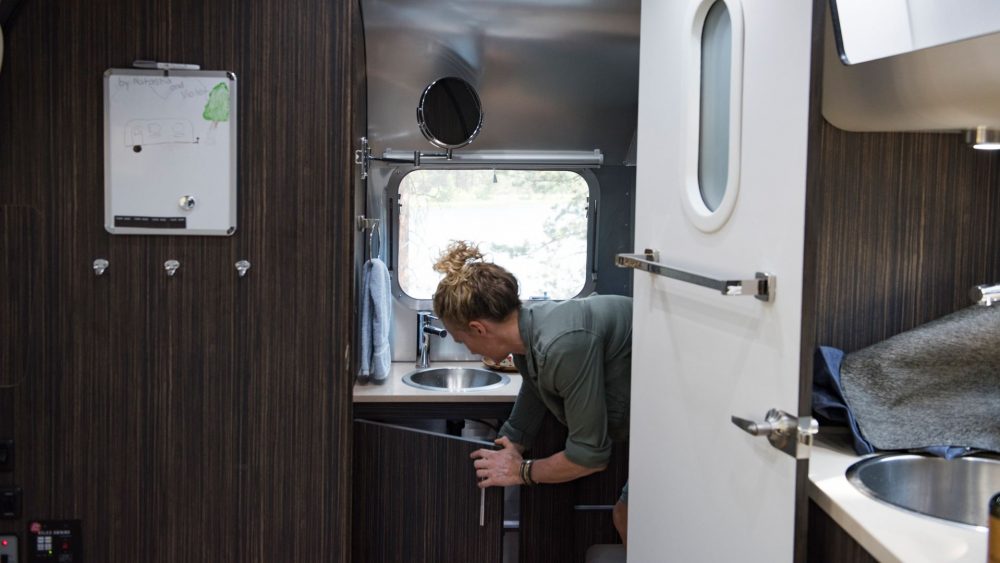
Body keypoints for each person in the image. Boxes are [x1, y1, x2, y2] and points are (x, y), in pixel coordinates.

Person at [431, 240, 632, 544]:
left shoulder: (562, 345)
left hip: (682, 405)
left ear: (479, 328)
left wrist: (522, 471)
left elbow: (589, 457)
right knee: (626, 516)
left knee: (628, 517)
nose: (469, 350)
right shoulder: (529, 332)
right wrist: (511, 442)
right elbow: (536, 390)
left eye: (463, 341)